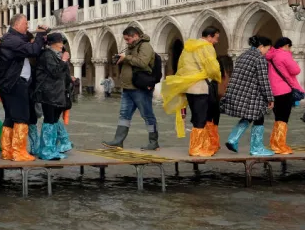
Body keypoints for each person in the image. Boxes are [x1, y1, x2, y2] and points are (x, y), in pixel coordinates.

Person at [160, 27, 223, 156]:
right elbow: (212, 68)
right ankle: (197, 148)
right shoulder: (207, 47)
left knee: (196, 116)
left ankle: (202, 145)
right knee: (203, 116)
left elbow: (182, 66)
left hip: (190, 87)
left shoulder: (188, 48)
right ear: (210, 36)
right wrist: (218, 77)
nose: (216, 41)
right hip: (201, 87)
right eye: (216, 38)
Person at [0, 14, 47, 161]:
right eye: (25, 23)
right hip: (15, 83)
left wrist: (40, 37)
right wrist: (40, 35)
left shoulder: (10, 39)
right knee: (22, 117)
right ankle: (19, 152)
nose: (27, 26)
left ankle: (7, 150)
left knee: (11, 118)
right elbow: (33, 50)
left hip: (10, 83)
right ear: (17, 24)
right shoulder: (12, 40)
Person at [103, 26, 158, 150]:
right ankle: (118, 141)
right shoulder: (130, 48)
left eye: (128, 39)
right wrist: (119, 58)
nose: (126, 42)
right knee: (124, 115)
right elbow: (129, 61)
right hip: (127, 88)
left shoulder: (145, 46)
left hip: (140, 88)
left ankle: (153, 142)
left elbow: (143, 62)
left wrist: (126, 57)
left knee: (147, 115)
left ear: (135, 36)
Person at [222, 36, 275, 156]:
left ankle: (233, 139)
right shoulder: (259, 58)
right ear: (261, 46)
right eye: (267, 48)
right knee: (259, 117)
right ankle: (256, 148)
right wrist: (270, 98)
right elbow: (263, 80)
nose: (267, 51)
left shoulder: (243, 55)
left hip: (240, 92)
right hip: (252, 94)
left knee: (249, 116)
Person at [33, 33, 74, 160]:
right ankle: (46, 151)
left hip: (58, 93)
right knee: (49, 121)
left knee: (54, 121)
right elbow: (55, 72)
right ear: (53, 43)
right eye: (61, 42)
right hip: (48, 94)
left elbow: (64, 75)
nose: (62, 44)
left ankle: (51, 149)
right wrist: (63, 61)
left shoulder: (57, 55)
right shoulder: (47, 55)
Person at [265, 37, 301, 155]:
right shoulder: (284, 55)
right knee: (283, 119)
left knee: (278, 118)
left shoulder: (270, 56)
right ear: (286, 45)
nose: (289, 49)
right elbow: (296, 70)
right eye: (289, 47)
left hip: (273, 91)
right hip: (284, 90)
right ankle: (279, 146)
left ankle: (275, 143)